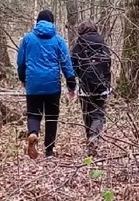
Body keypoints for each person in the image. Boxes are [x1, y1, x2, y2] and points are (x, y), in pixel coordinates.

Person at [15, 9, 74, 158]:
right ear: (52, 22)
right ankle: (49, 150)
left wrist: (23, 78)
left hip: (33, 83)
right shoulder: (58, 40)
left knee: (33, 113)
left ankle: (33, 133)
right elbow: (66, 63)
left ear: (38, 22)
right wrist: (71, 83)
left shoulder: (27, 39)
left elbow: (21, 63)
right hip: (52, 84)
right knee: (52, 116)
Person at [71, 21, 113, 155]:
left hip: (84, 85)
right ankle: (93, 138)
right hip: (101, 84)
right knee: (98, 113)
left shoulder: (78, 45)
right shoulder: (102, 44)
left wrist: (79, 76)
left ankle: (90, 138)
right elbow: (108, 63)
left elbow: (73, 64)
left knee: (86, 113)